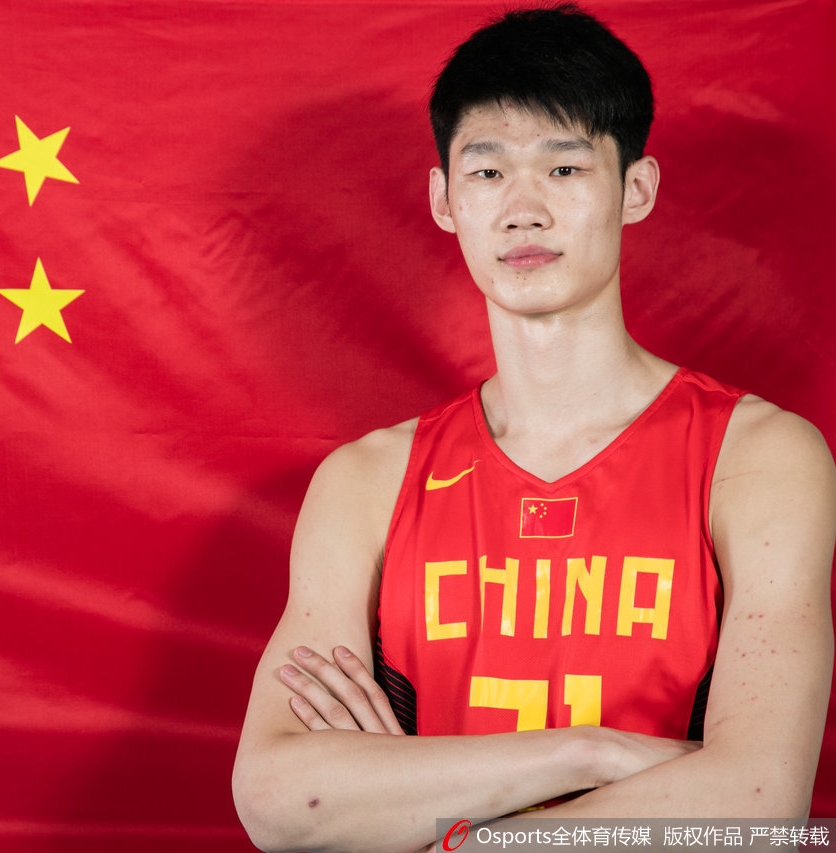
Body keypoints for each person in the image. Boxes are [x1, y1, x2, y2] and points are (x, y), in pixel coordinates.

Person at [230, 5, 836, 852]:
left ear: (635, 188)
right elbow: (277, 798)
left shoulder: (758, 456)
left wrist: (446, 830)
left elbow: (759, 805)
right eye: (487, 172)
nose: (523, 209)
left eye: (564, 167)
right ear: (444, 199)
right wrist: (587, 752)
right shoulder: (366, 482)